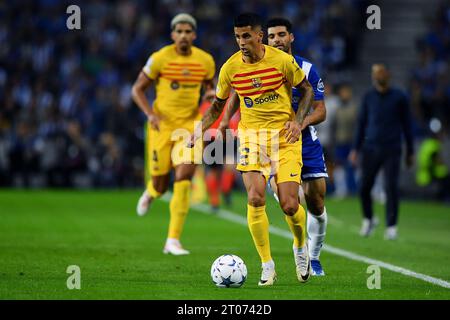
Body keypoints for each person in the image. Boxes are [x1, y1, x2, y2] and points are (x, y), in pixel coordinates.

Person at [190, 13, 314, 286]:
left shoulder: (282, 61)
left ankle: (300, 244)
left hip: (284, 138)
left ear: (259, 36)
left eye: (246, 36)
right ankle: (267, 264)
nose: (241, 42)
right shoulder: (230, 68)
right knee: (256, 198)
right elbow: (217, 105)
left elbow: (306, 91)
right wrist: (199, 130)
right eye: (237, 36)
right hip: (251, 138)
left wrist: (297, 120)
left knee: (290, 204)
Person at [132, 13, 216, 255]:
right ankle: (152, 191)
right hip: (161, 126)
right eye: (179, 31)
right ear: (172, 35)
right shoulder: (160, 58)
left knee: (184, 177)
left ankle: (173, 239)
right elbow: (137, 89)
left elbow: (210, 89)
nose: (183, 36)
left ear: (194, 35)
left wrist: (210, 96)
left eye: (188, 31)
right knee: (160, 183)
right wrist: (150, 114)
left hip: (189, 126)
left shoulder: (205, 61)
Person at [264, 17, 328, 276]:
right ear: (265, 40)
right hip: (273, 143)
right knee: (291, 202)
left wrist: (301, 122)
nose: (277, 40)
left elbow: (321, 110)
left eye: (281, 35)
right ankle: (301, 249)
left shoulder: (308, 68)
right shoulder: (259, 67)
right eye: (271, 36)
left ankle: (314, 257)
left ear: (291, 37)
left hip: (305, 142)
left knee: (316, 202)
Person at [349, 63, 415, 240]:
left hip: (392, 148)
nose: (378, 75)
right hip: (370, 149)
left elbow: (407, 125)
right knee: (364, 187)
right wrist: (355, 149)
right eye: (375, 72)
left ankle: (391, 226)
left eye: (381, 72)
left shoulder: (400, 96)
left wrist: (410, 151)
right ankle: (369, 219)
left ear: (388, 74)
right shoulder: (368, 96)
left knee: (390, 187)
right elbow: (361, 124)